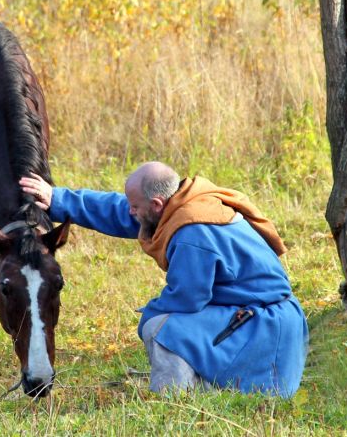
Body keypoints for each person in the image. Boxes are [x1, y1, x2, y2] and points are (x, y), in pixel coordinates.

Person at [19, 162, 307, 396]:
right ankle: (205, 384)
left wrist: (149, 313)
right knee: (164, 320)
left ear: (157, 204)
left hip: (267, 330)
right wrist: (58, 199)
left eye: (135, 206)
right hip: (255, 313)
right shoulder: (187, 201)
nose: (130, 212)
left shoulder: (192, 233)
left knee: (160, 326)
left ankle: (175, 395)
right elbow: (121, 210)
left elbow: (187, 299)